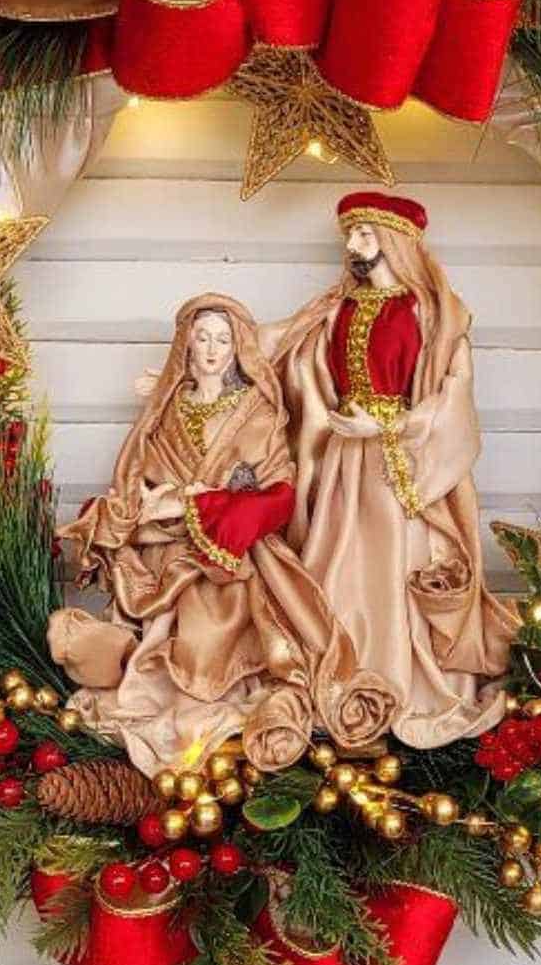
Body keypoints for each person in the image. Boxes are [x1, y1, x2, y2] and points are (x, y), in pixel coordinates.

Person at [49, 294, 397, 776]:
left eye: (223, 340)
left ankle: (219, 685)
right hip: (167, 545)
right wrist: (148, 505)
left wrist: (203, 504)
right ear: (186, 344)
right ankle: (134, 663)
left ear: (238, 348)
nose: (212, 350)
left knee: (226, 616)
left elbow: (280, 491)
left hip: (233, 552)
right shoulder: (167, 408)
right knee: (161, 606)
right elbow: (140, 474)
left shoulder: (257, 411)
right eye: (203, 338)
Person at [263, 191, 516, 748]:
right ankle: (341, 679)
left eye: (365, 234)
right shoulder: (336, 309)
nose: (353, 245)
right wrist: (192, 375)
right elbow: (276, 346)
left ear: (395, 242)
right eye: (350, 235)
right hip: (341, 459)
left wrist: (387, 426)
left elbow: (456, 393)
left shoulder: (432, 313)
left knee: (397, 561)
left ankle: (402, 678)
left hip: (400, 459)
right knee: (336, 564)